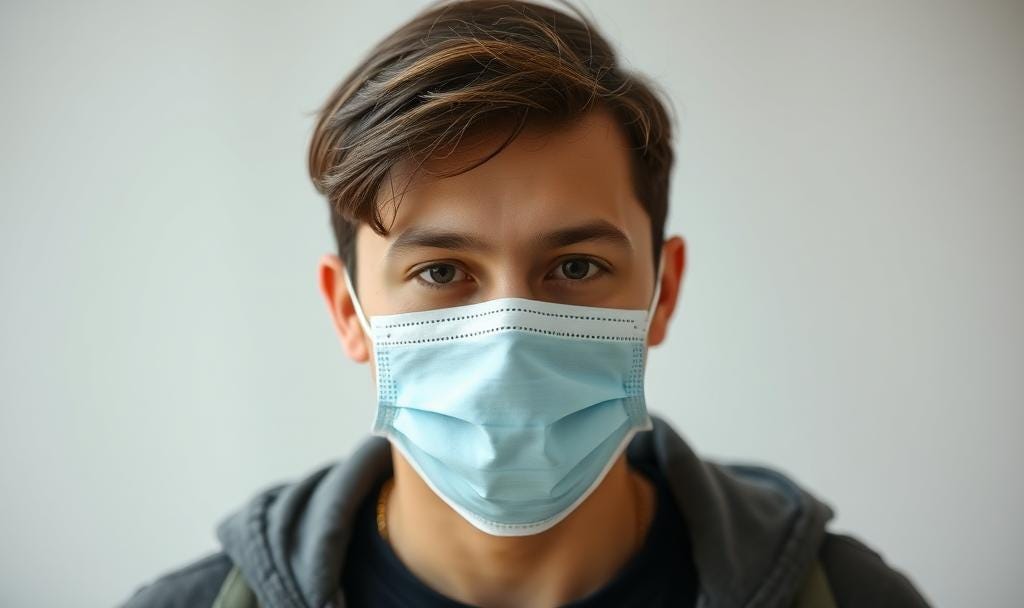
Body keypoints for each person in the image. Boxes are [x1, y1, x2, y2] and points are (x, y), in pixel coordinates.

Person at [123, 1, 930, 606]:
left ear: (664, 291)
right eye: (441, 271)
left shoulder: (847, 596)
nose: (509, 336)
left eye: (575, 266)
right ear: (347, 310)